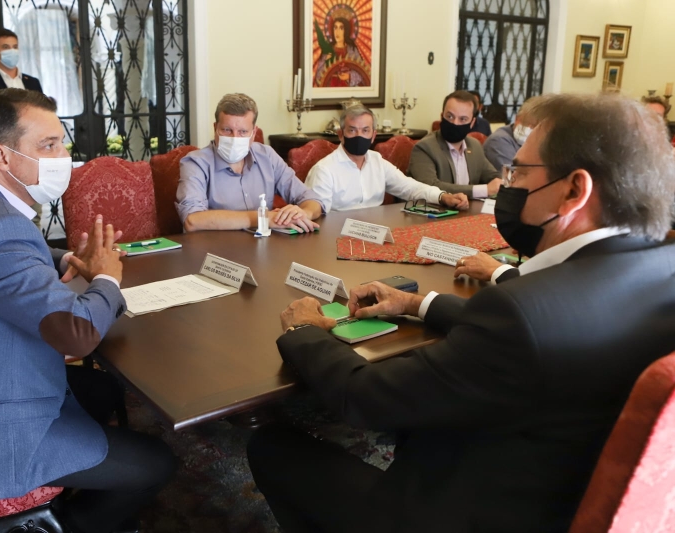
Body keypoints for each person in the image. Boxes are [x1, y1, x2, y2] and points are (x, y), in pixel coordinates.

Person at [247, 93, 675, 533]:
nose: (507, 184)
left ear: (573, 191)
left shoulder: (522, 313)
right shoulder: (664, 271)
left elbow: (365, 397)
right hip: (560, 480)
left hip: (461, 509)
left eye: (519, 172)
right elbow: (545, 338)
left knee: (272, 446)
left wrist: (304, 330)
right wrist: (417, 303)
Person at [0, 89, 174, 533]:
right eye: (48, 145)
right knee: (156, 462)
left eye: (62, 143)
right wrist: (107, 277)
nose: (63, 157)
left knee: (102, 391)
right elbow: (78, 332)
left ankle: (70, 478)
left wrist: (62, 259)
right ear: (1, 154)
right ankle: (66, 525)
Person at [177, 93, 323, 232]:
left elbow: (312, 199)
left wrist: (304, 213)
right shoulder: (195, 162)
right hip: (214, 252)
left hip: (263, 248)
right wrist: (261, 218)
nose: (234, 138)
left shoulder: (267, 156)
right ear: (215, 128)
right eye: (227, 130)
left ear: (253, 133)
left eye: (243, 132)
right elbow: (192, 220)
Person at [305, 105, 468, 212]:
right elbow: (318, 212)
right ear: (341, 135)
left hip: (375, 233)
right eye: (352, 130)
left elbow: (408, 187)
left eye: (365, 130)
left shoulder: (377, 162)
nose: (359, 135)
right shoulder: (325, 170)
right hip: (336, 235)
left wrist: (442, 196)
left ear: (373, 135)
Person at [409, 90, 502, 199]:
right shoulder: (424, 148)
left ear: (472, 123)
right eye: (450, 116)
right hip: (434, 213)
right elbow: (430, 187)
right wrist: (483, 190)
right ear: (441, 116)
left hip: (468, 211)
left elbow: (492, 176)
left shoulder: (474, 146)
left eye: (463, 119)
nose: (455, 123)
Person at [0, 28, 43, 104]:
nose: (12, 51)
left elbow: (43, 111)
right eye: (6, 47)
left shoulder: (33, 82)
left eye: (15, 47)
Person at [483, 96, 543, 171]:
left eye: (534, 126)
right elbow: (513, 175)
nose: (529, 128)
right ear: (517, 119)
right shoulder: (499, 140)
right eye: (526, 123)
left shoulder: (544, 141)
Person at [314, 16, 370, 88]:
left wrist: (349, 76)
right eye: (335, 27)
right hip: (330, 89)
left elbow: (362, 72)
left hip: (348, 90)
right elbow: (318, 77)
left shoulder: (352, 50)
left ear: (346, 30)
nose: (337, 32)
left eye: (341, 28)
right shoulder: (327, 50)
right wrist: (326, 63)